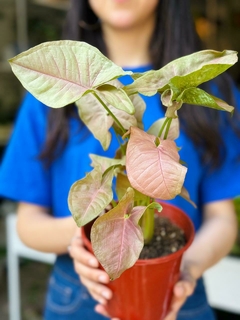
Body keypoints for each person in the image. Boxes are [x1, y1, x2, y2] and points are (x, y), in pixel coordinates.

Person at [0, 0, 240, 319]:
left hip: (181, 292)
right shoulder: (50, 101)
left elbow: (222, 218)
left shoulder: (207, 87)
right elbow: (28, 223)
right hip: (76, 296)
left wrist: (187, 271)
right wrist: (83, 238)